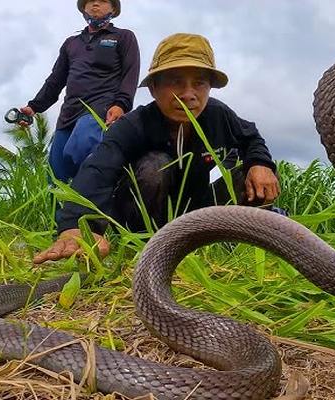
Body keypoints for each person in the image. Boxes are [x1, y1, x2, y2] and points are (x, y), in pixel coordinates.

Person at [33, 33, 282, 264]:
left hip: (195, 212)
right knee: (155, 166)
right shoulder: (134, 125)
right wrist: (76, 226)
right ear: (153, 89)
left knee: (256, 178)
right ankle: (148, 250)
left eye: (199, 83)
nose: (188, 94)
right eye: (175, 82)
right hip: (144, 218)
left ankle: (235, 248)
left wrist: (259, 163)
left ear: (209, 88)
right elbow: (98, 169)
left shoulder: (218, 115)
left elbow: (251, 136)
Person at [20, 0, 140, 183]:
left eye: (102, 0)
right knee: (56, 178)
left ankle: (93, 198)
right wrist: (34, 107)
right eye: (90, 1)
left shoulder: (123, 37)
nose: (95, 4)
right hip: (68, 115)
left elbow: (131, 73)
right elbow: (55, 80)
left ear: (114, 8)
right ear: (83, 8)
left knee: (83, 146)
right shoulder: (71, 43)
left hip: (100, 110)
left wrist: (121, 104)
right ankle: (60, 211)